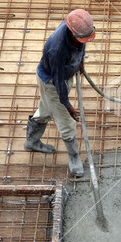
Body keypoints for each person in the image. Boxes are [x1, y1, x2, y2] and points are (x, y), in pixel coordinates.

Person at [24, 9, 96, 177]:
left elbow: (81, 45)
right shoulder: (56, 49)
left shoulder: (77, 29)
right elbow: (57, 83)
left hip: (64, 75)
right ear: (72, 32)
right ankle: (74, 157)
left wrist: (80, 63)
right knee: (66, 121)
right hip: (52, 82)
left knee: (46, 110)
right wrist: (68, 106)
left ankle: (31, 141)